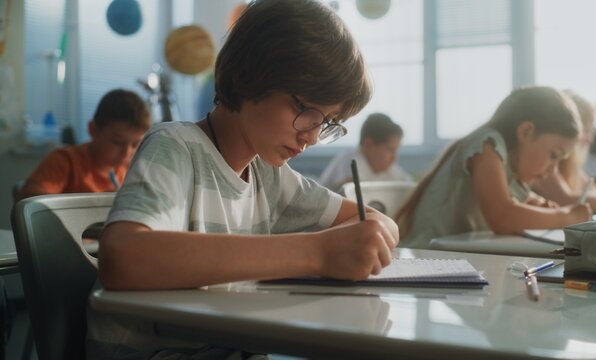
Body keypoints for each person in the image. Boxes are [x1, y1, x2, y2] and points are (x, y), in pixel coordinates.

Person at [91, 1, 398, 359]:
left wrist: (369, 233)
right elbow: (124, 258)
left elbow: (377, 224)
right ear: (246, 74)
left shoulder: (270, 176)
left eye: (327, 122)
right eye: (305, 109)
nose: (312, 137)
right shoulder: (175, 147)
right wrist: (317, 253)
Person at [395, 86, 592, 249]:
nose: (553, 169)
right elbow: (503, 217)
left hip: (452, 259)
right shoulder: (487, 145)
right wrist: (566, 217)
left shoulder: (508, 170)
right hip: (425, 259)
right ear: (526, 132)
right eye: (553, 155)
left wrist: (541, 208)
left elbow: (519, 206)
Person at [17, 89, 150, 201]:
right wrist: (93, 204)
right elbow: (30, 200)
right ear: (93, 130)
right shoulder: (65, 161)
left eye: (135, 144)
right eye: (117, 142)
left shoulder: (131, 170)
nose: (126, 153)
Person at [318, 113, 412, 192]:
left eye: (396, 151)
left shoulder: (389, 169)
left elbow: (410, 188)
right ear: (368, 145)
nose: (394, 158)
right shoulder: (349, 163)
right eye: (390, 150)